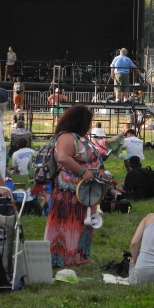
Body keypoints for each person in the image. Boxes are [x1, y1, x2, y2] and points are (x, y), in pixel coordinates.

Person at [44, 104, 103, 267]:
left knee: (83, 221)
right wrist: (83, 171)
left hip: (84, 191)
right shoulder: (67, 137)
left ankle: (79, 255)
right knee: (68, 221)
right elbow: (62, 157)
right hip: (69, 190)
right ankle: (63, 255)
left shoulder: (79, 137)